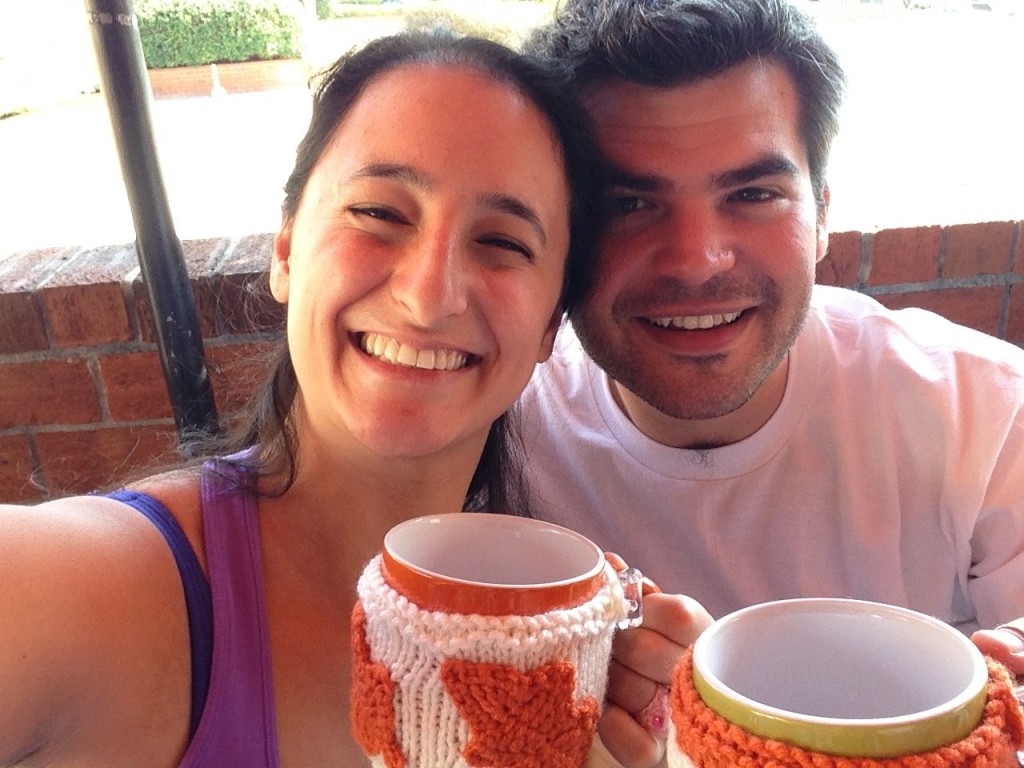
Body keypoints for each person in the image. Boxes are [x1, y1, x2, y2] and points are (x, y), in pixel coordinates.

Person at [0, 28, 614, 766]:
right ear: (286, 250)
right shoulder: (80, 590)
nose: (428, 297)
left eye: (503, 243)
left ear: (552, 323)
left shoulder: (560, 648)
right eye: (380, 214)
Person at [521, 1, 1024, 766]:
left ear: (821, 214)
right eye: (628, 204)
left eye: (753, 195)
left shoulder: (981, 411)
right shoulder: (497, 434)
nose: (696, 260)